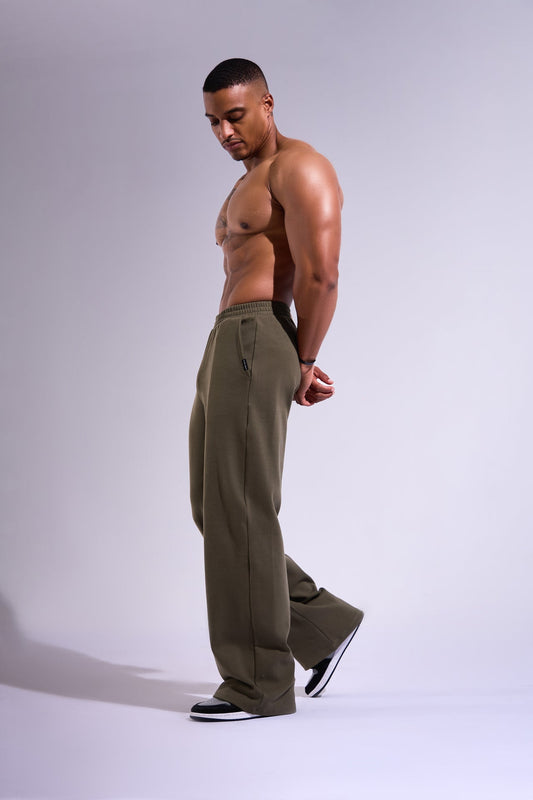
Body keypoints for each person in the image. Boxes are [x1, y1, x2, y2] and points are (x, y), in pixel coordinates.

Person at [189, 58, 364, 721]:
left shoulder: (301, 167)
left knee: (241, 509)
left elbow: (322, 273)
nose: (225, 132)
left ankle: (258, 684)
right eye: (213, 122)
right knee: (216, 508)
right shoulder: (249, 179)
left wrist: (305, 359)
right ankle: (321, 623)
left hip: (258, 336)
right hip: (227, 338)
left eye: (234, 116)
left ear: (266, 103)